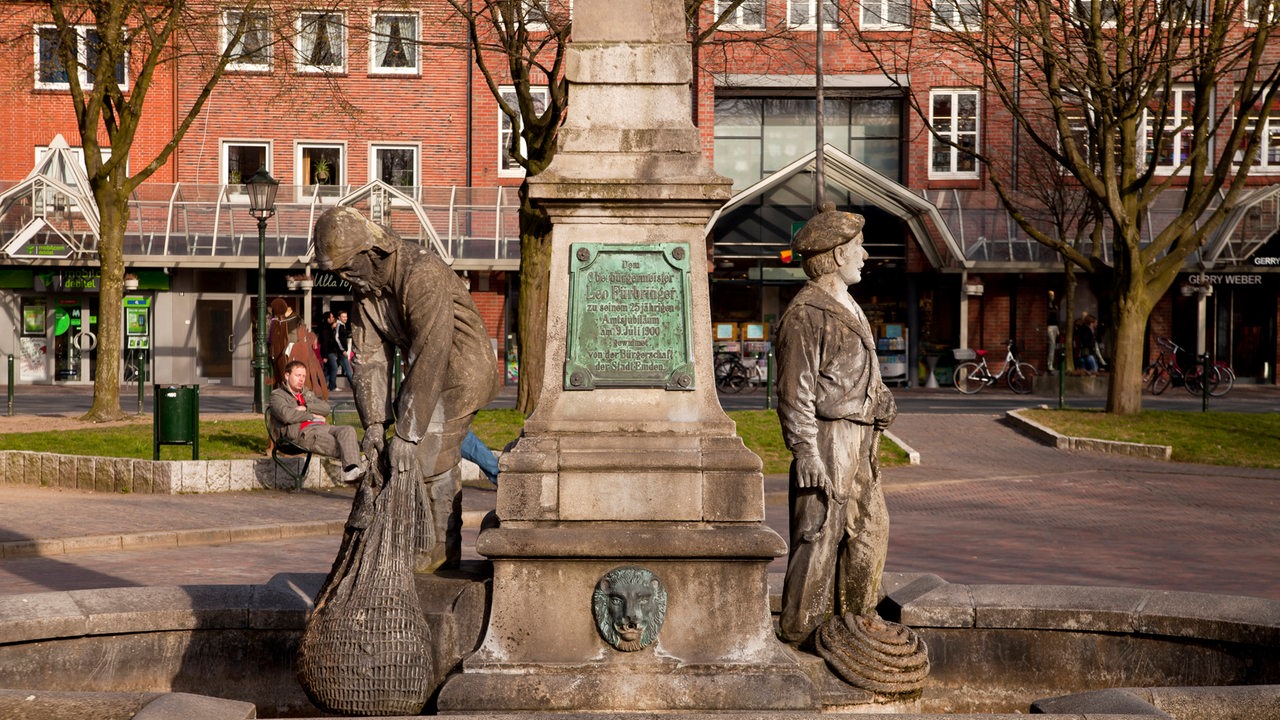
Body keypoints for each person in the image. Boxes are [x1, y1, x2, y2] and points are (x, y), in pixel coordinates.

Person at [315, 205, 501, 572]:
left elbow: (431, 351)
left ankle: (439, 553)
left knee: (423, 450)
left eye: (347, 268)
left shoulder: (421, 272)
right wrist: (373, 424)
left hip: (463, 370)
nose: (344, 278)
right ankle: (431, 546)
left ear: (372, 253)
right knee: (397, 453)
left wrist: (407, 431)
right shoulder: (367, 290)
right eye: (337, 273)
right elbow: (369, 359)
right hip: (427, 374)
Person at [775, 207, 897, 646]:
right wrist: (805, 450)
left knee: (870, 529)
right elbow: (795, 389)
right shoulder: (806, 313)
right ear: (838, 254)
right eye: (858, 248)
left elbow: (857, 370)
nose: (864, 256)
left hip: (860, 437)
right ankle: (800, 628)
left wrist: (880, 401)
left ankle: (856, 618)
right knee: (819, 533)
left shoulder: (849, 305)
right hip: (828, 440)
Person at [269, 360, 364, 484]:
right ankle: (356, 468)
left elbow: (326, 408)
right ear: (287, 376)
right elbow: (287, 416)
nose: (301, 379)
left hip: (323, 427)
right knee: (346, 445)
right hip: (302, 433)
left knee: (348, 430)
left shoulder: (307, 394)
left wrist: (306, 407)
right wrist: (312, 416)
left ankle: (352, 471)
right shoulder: (277, 395)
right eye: (298, 375)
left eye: (303, 376)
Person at [332, 310, 354, 388]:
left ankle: (328, 385)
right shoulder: (339, 325)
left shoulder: (343, 325)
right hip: (341, 352)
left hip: (340, 351)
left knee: (332, 370)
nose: (345, 318)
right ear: (339, 317)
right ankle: (353, 385)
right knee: (348, 369)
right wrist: (342, 350)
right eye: (343, 317)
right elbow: (336, 338)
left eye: (346, 316)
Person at [319, 311, 340, 391]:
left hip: (330, 351)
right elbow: (325, 342)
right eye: (331, 317)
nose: (333, 318)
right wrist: (324, 355)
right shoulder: (325, 329)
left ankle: (322, 385)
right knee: (334, 367)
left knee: (327, 370)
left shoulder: (328, 328)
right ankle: (332, 386)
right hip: (328, 352)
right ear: (328, 319)